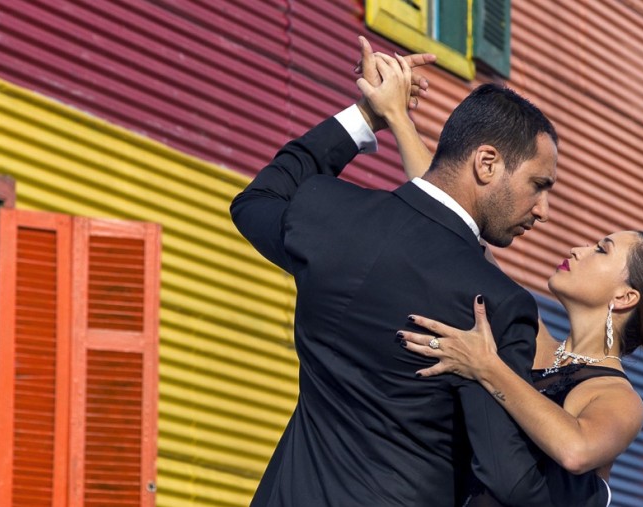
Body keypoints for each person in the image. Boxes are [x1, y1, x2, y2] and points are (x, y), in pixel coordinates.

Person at [231, 37, 608, 506]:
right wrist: (597, 495)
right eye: (538, 184)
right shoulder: (493, 302)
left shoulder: (329, 214)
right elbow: (507, 476)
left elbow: (254, 203)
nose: (544, 210)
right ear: (487, 163)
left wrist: (364, 116)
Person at [363, 50, 643, 505]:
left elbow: (576, 450)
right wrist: (396, 117)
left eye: (602, 249)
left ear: (624, 296)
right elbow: (453, 214)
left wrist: (486, 367)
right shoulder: (535, 343)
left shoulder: (618, 398)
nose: (580, 247)